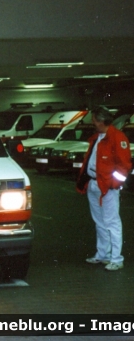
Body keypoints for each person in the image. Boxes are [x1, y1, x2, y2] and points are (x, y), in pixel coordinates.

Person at [76, 106, 132, 271]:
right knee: (99, 222)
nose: (92, 122)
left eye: (93, 119)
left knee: (111, 222)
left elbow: (124, 166)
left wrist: (113, 184)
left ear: (100, 121)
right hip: (94, 183)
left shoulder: (117, 138)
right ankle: (103, 255)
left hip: (106, 186)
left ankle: (116, 258)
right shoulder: (97, 138)